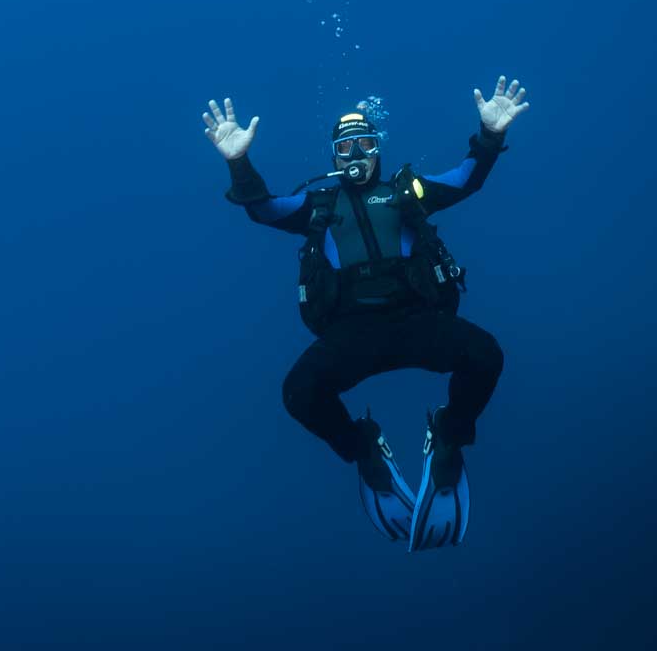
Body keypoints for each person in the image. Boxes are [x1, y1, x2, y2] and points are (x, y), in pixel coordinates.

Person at [201, 77, 531, 551]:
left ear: (378, 149)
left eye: (365, 144)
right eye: (345, 148)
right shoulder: (318, 207)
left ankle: (450, 435)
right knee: (298, 393)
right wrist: (238, 161)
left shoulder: (408, 192)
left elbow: (467, 178)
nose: (356, 154)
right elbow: (263, 209)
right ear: (334, 157)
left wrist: (491, 134)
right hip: (353, 334)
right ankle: (363, 448)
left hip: (418, 321)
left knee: (486, 355)